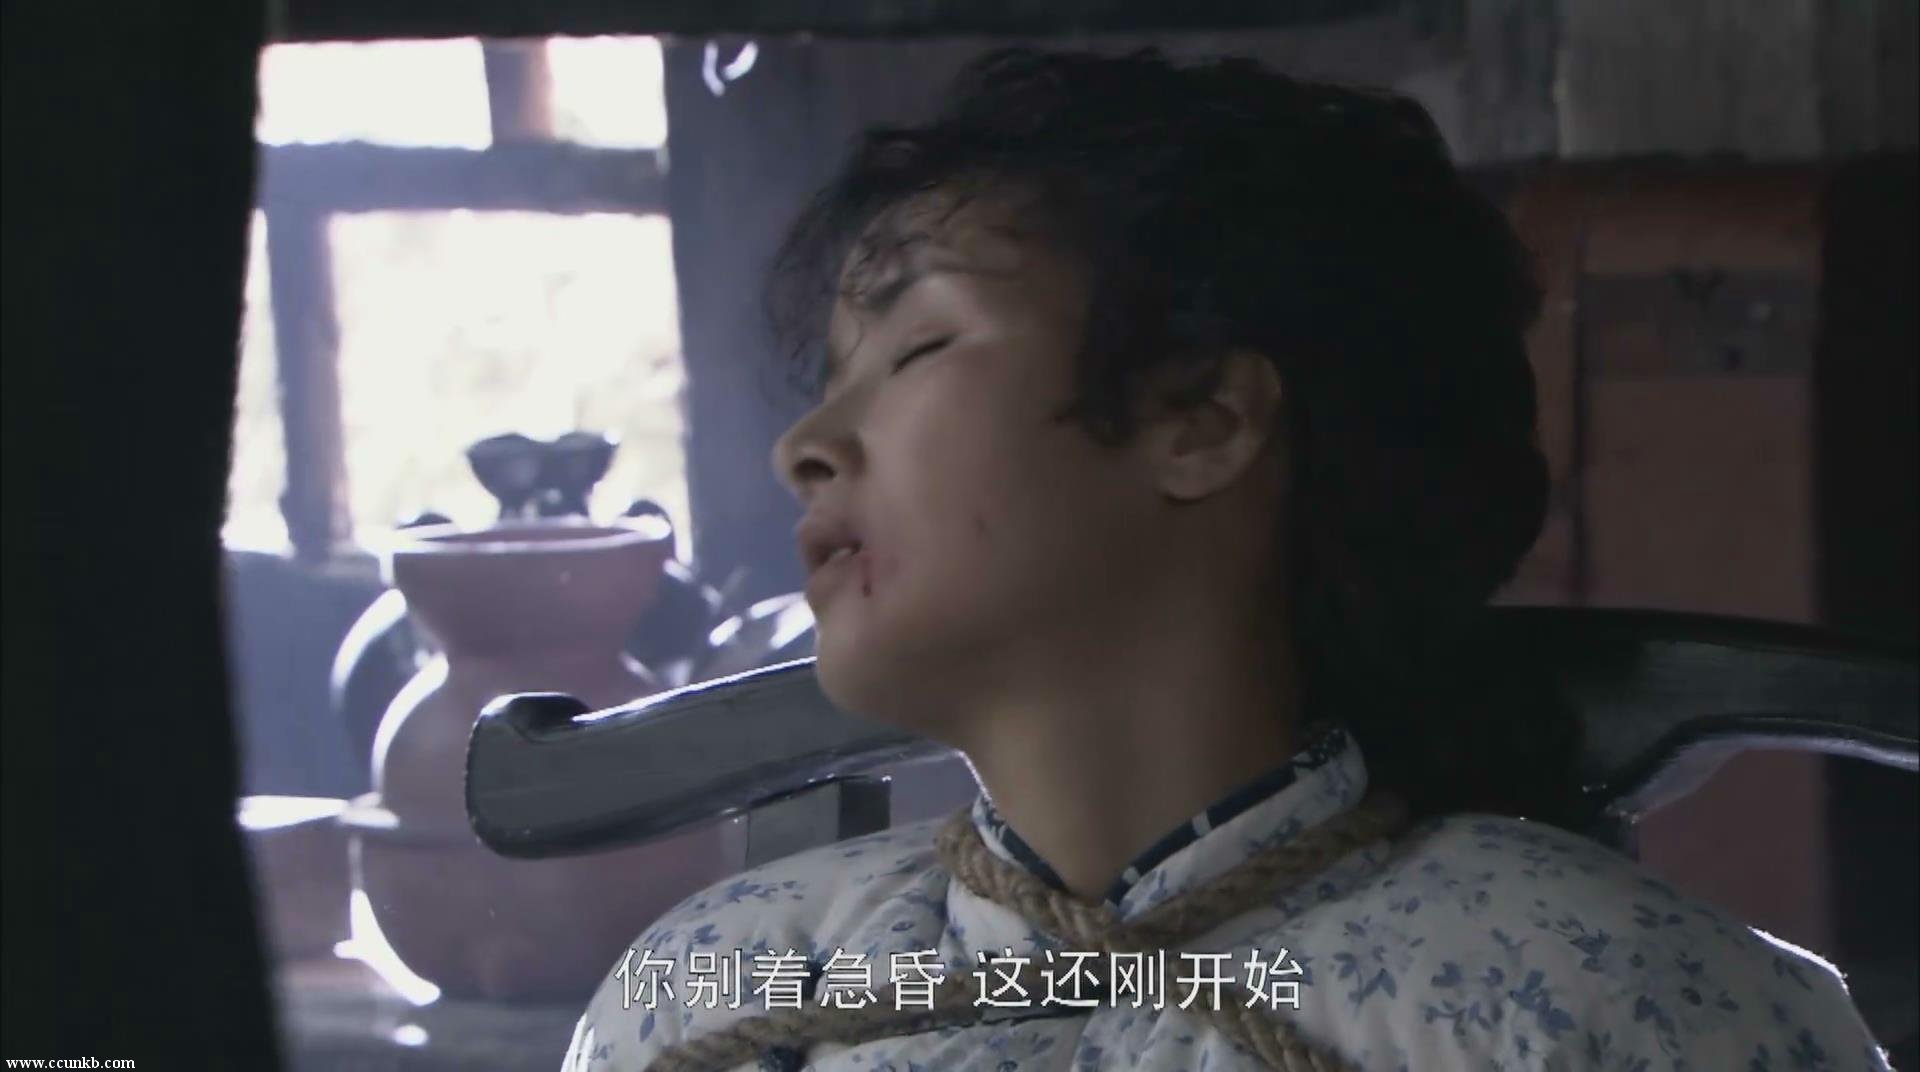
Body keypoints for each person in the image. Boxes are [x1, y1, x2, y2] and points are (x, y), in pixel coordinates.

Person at [564, 47, 1889, 1070]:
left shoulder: (1619, 1000)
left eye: (918, 348)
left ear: (1201, 420)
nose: (803, 448)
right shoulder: (718, 988)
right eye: (828, 380)